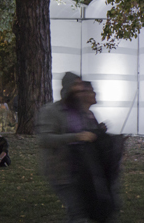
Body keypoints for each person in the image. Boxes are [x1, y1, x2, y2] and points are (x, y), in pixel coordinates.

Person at [38, 72, 98, 223]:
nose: (80, 89)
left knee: (86, 210)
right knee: (77, 212)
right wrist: (76, 137)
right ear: (67, 87)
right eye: (76, 85)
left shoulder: (82, 112)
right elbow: (44, 139)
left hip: (83, 171)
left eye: (81, 85)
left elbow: (90, 136)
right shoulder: (51, 111)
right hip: (62, 172)